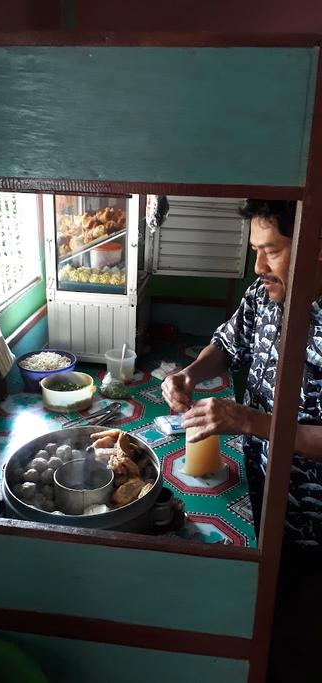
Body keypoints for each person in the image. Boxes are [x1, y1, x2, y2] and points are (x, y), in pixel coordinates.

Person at [161, 199, 322, 682]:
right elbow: (228, 345)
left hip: (315, 523)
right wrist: (189, 373)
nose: (257, 266)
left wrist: (251, 421)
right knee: (269, 610)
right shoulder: (263, 293)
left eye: (271, 250)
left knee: (302, 635)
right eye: (256, 250)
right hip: (268, 499)